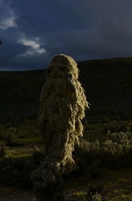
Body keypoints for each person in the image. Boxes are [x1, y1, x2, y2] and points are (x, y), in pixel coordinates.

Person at [32, 54, 89, 185]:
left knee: (55, 144)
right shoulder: (69, 80)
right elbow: (78, 101)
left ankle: (56, 168)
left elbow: (43, 101)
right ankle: (53, 172)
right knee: (62, 144)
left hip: (52, 117)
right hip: (63, 119)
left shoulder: (50, 82)